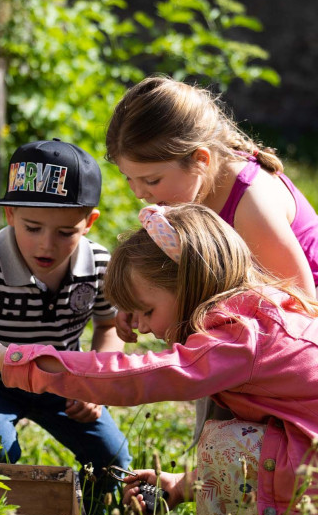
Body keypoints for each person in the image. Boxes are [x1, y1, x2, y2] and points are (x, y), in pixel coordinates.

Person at [0, 203, 318, 515]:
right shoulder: (254, 315)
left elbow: (133, 377)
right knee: (230, 442)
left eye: (147, 311)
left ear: (188, 286)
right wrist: (182, 484)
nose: (144, 328)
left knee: (223, 443)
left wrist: (10, 358)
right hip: (305, 458)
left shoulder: (236, 341)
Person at [0, 138, 130, 508]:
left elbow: (108, 326)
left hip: (62, 380)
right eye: (32, 227)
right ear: (10, 215)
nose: (46, 245)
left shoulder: (98, 265)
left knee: (112, 460)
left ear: (89, 221)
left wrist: (95, 385)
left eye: (65, 233)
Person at [105, 74, 318, 439]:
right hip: (243, 336)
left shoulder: (252, 206)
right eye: (129, 179)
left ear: (200, 159)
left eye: (151, 180)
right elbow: (173, 267)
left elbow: (303, 308)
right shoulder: (186, 193)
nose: (139, 192)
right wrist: (139, 299)